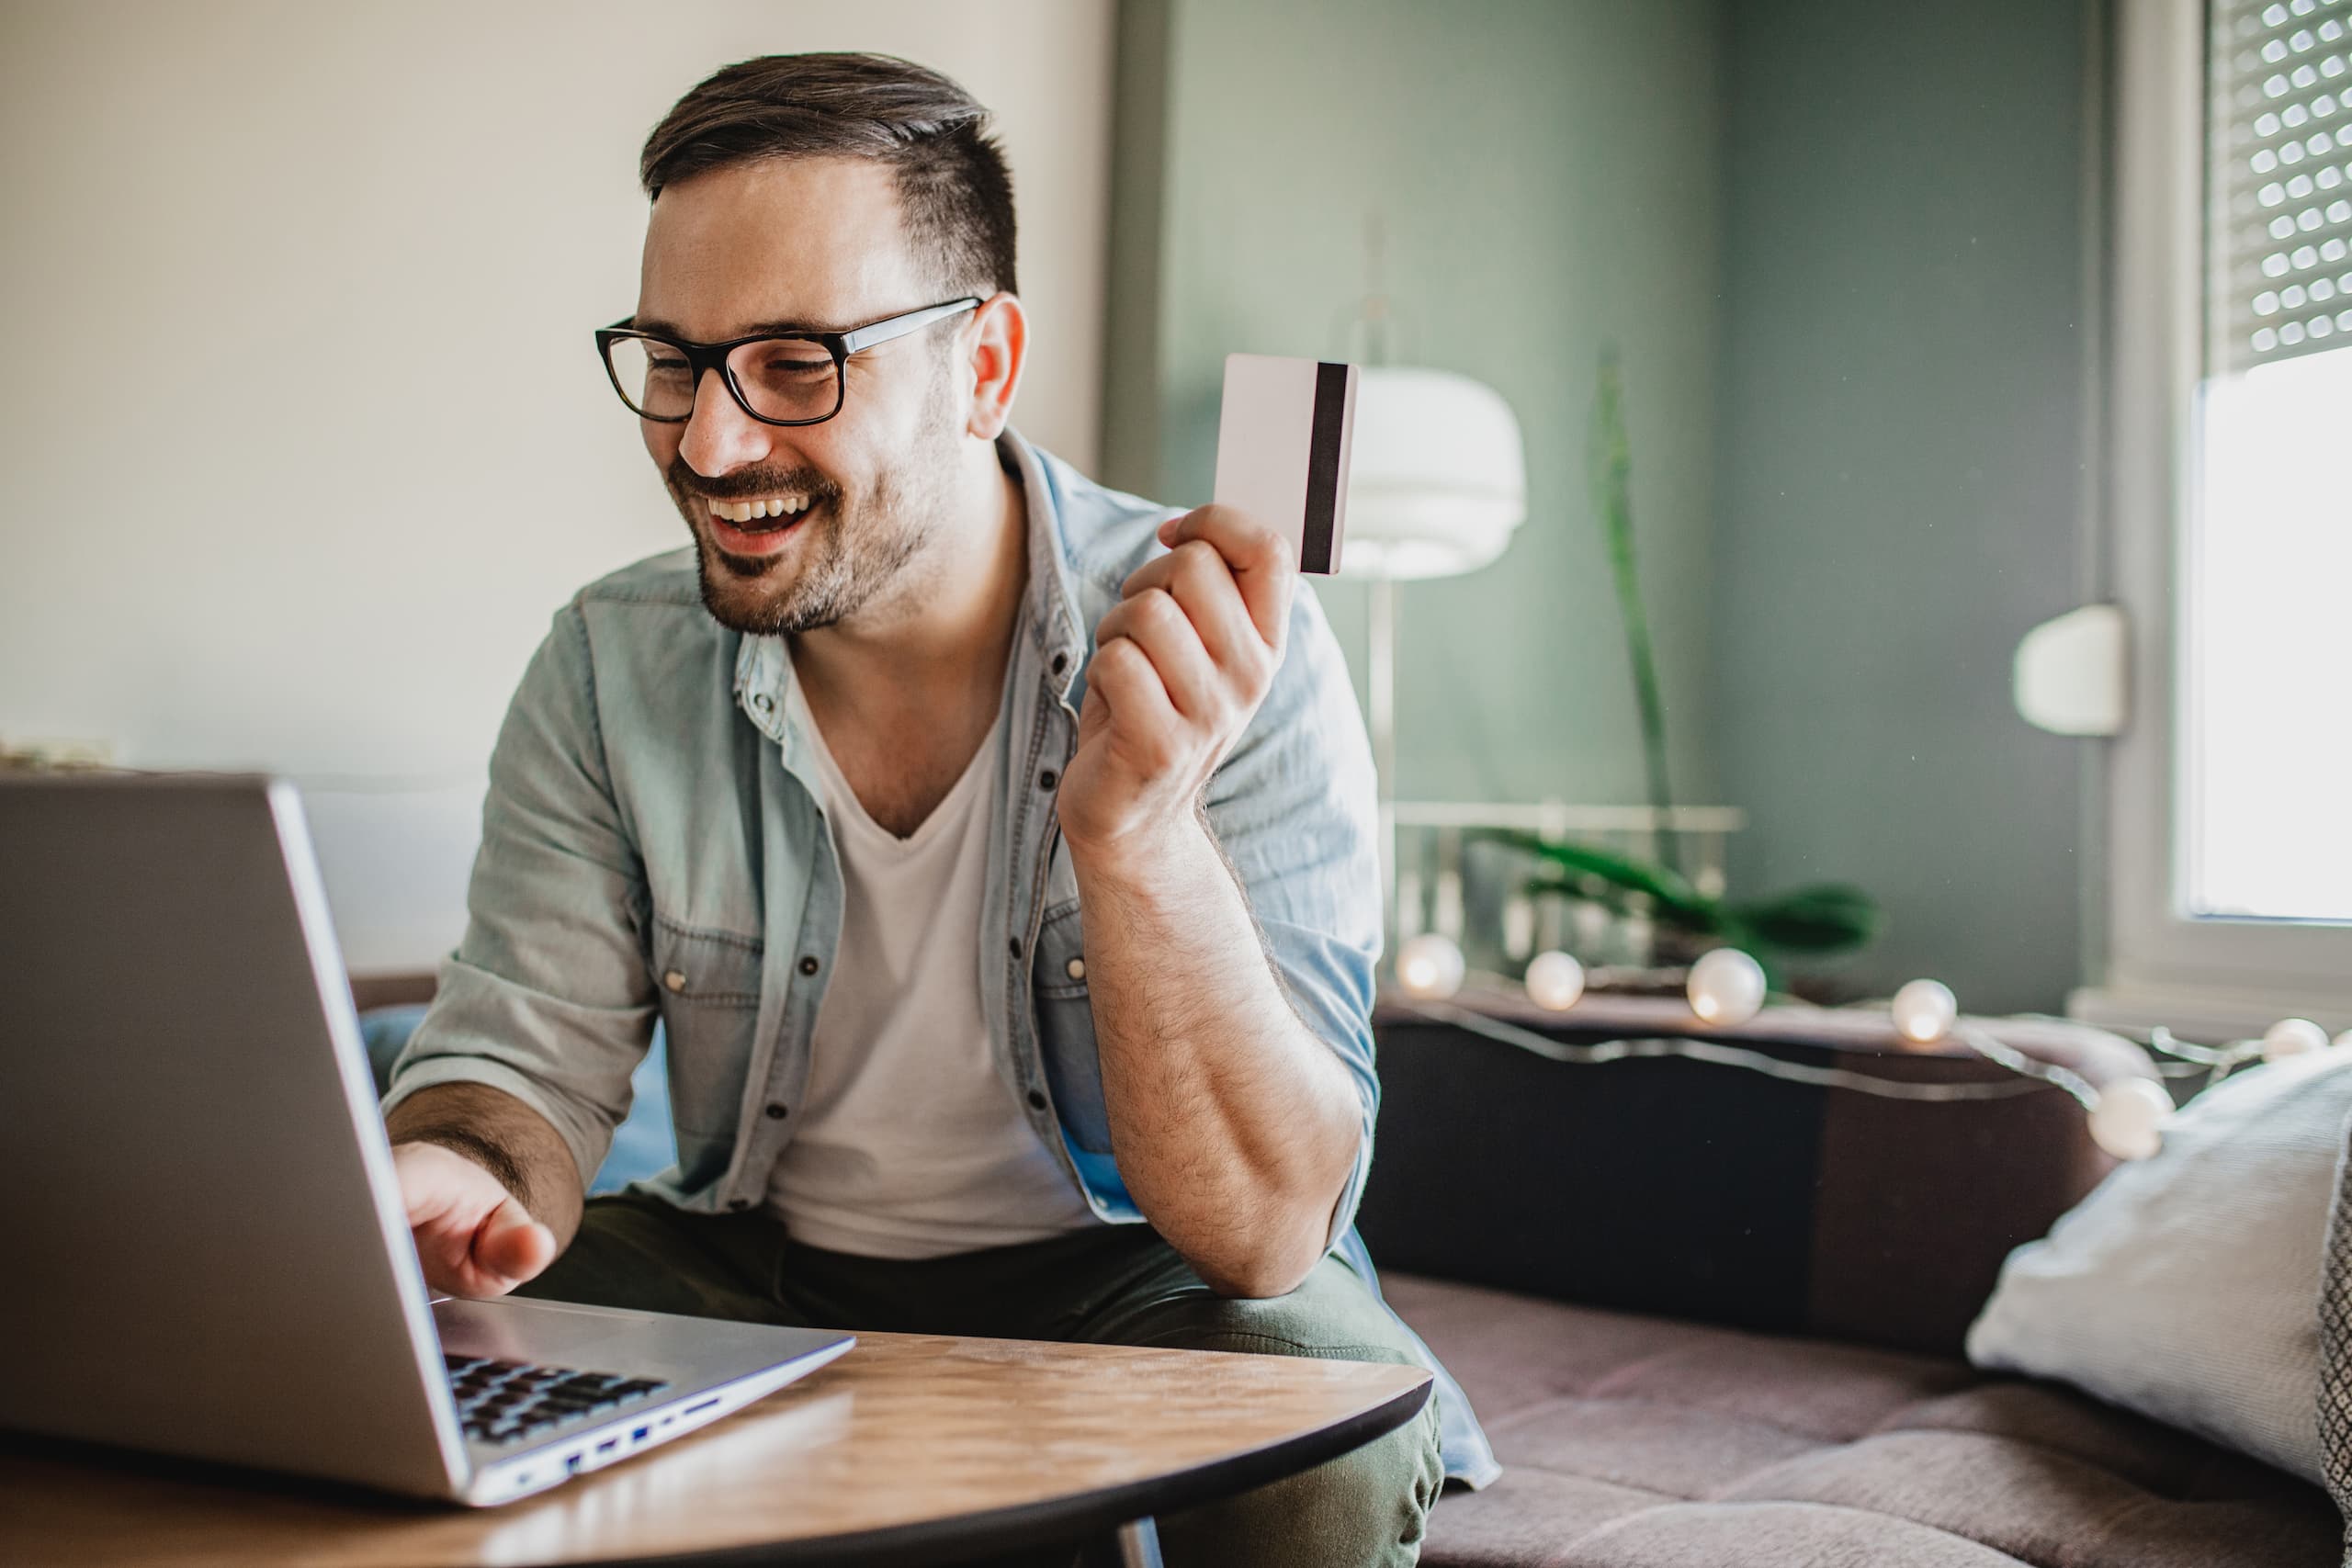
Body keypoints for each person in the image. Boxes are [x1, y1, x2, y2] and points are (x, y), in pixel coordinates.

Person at [382, 51, 1488, 1565]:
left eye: (795, 364)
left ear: (982, 367)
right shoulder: (605, 663)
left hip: (1129, 1277)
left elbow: (1263, 1232)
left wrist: (1139, 835)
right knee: (430, 1345)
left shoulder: (1228, 654)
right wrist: (449, 1173)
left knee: (1315, 1410)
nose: (710, 446)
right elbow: (521, 1056)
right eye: (675, 359)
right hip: (758, 1262)